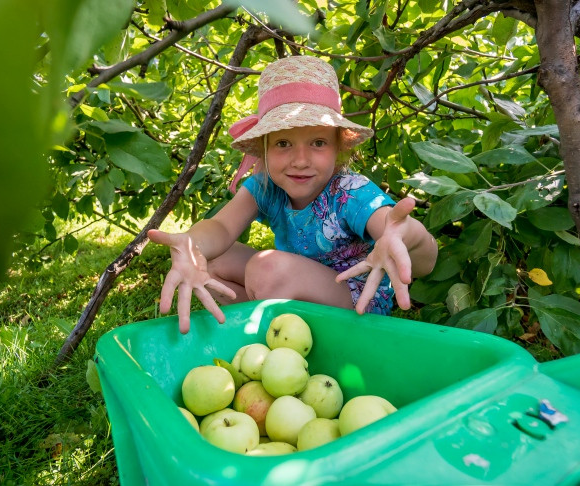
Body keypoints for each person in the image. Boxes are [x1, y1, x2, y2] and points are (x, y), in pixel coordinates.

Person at [148, 55, 438, 333]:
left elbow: (406, 238)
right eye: (284, 143)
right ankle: (272, 327)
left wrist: (403, 234)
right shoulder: (265, 186)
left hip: (355, 302)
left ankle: (282, 333)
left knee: (268, 269)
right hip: (297, 283)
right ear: (264, 148)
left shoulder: (350, 193)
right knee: (214, 259)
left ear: (339, 148)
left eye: (318, 142)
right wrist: (193, 245)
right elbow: (222, 227)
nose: (300, 160)